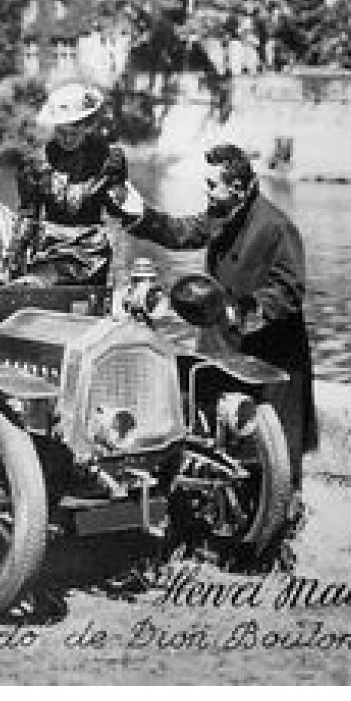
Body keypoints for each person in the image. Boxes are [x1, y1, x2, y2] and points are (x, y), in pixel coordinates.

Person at [115, 143, 317, 502]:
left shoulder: (276, 227)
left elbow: (288, 290)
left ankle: (280, 522)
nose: (206, 191)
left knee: (277, 449)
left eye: (212, 185)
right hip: (225, 342)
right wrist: (140, 215)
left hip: (271, 352)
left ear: (237, 188)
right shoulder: (224, 212)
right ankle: (223, 508)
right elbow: (184, 232)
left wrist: (241, 312)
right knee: (222, 434)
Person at [6, 82, 127, 286]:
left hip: (93, 252)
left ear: (87, 124)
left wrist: (119, 266)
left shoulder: (110, 158)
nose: (67, 139)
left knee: (88, 307)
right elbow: (28, 216)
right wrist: (13, 258)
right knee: (38, 287)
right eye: (62, 132)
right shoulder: (35, 163)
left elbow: (119, 213)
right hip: (50, 250)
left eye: (75, 132)